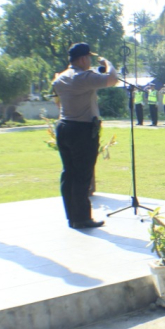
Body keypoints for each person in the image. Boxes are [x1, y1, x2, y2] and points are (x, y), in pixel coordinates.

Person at [51, 42, 118, 229]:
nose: (89, 60)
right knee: (82, 175)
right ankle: (81, 218)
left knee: (69, 173)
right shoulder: (83, 77)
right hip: (82, 129)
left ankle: (71, 215)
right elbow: (112, 79)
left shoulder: (60, 78)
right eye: (88, 57)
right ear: (82, 59)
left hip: (64, 126)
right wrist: (108, 63)